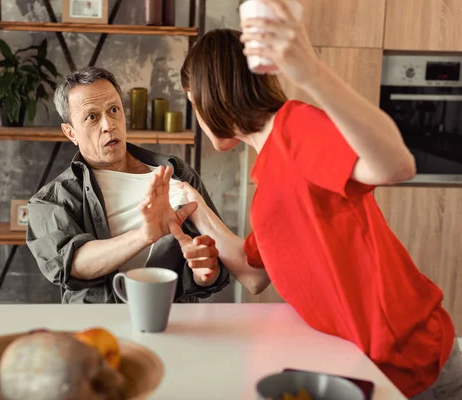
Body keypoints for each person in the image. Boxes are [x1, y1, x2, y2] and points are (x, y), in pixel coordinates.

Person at [172, 1, 462, 399]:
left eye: (193, 102)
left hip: (412, 361)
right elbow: (255, 276)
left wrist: (309, 71)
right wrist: (195, 207)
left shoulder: (295, 127)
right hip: (362, 366)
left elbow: (396, 165)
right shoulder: (269, 173)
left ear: (210, 94)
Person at [26, 66, 229, 304]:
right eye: (92, 117)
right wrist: (144, 235)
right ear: (70, 132)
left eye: (114, 110)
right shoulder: (51, 200)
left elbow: (215, 263)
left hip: (171, 320)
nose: (108, 124)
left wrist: (204, 271)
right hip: (96, 328)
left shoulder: (177, 175)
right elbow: (72, 264)